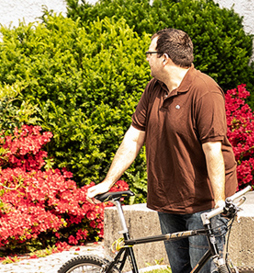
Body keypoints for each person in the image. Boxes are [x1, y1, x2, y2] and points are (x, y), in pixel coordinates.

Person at [86, 28, 237, 273]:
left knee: (204, 270)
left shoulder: (204, 91)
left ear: (164, 58)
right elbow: (133, 138)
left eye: (150, 53)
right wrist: (108, 181)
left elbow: (213, 150)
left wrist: (219, 202)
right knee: (179, 269)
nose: (147, 58)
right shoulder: (154, 89)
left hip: (203, 202)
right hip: (168, 200)